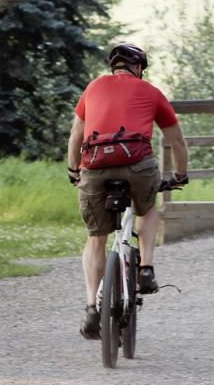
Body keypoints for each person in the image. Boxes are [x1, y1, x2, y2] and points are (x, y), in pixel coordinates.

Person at [66, 43, 189, 340]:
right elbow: (176, 140)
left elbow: (76, 134)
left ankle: (91, 308)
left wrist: (73, 170)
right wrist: (181, 174)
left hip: (94, 166)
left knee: (96, 238)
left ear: (114, 66)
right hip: (137, 165)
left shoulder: (93, 87)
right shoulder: (152, 92)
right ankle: (146, 268)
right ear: (139, 68)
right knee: (147, 209)